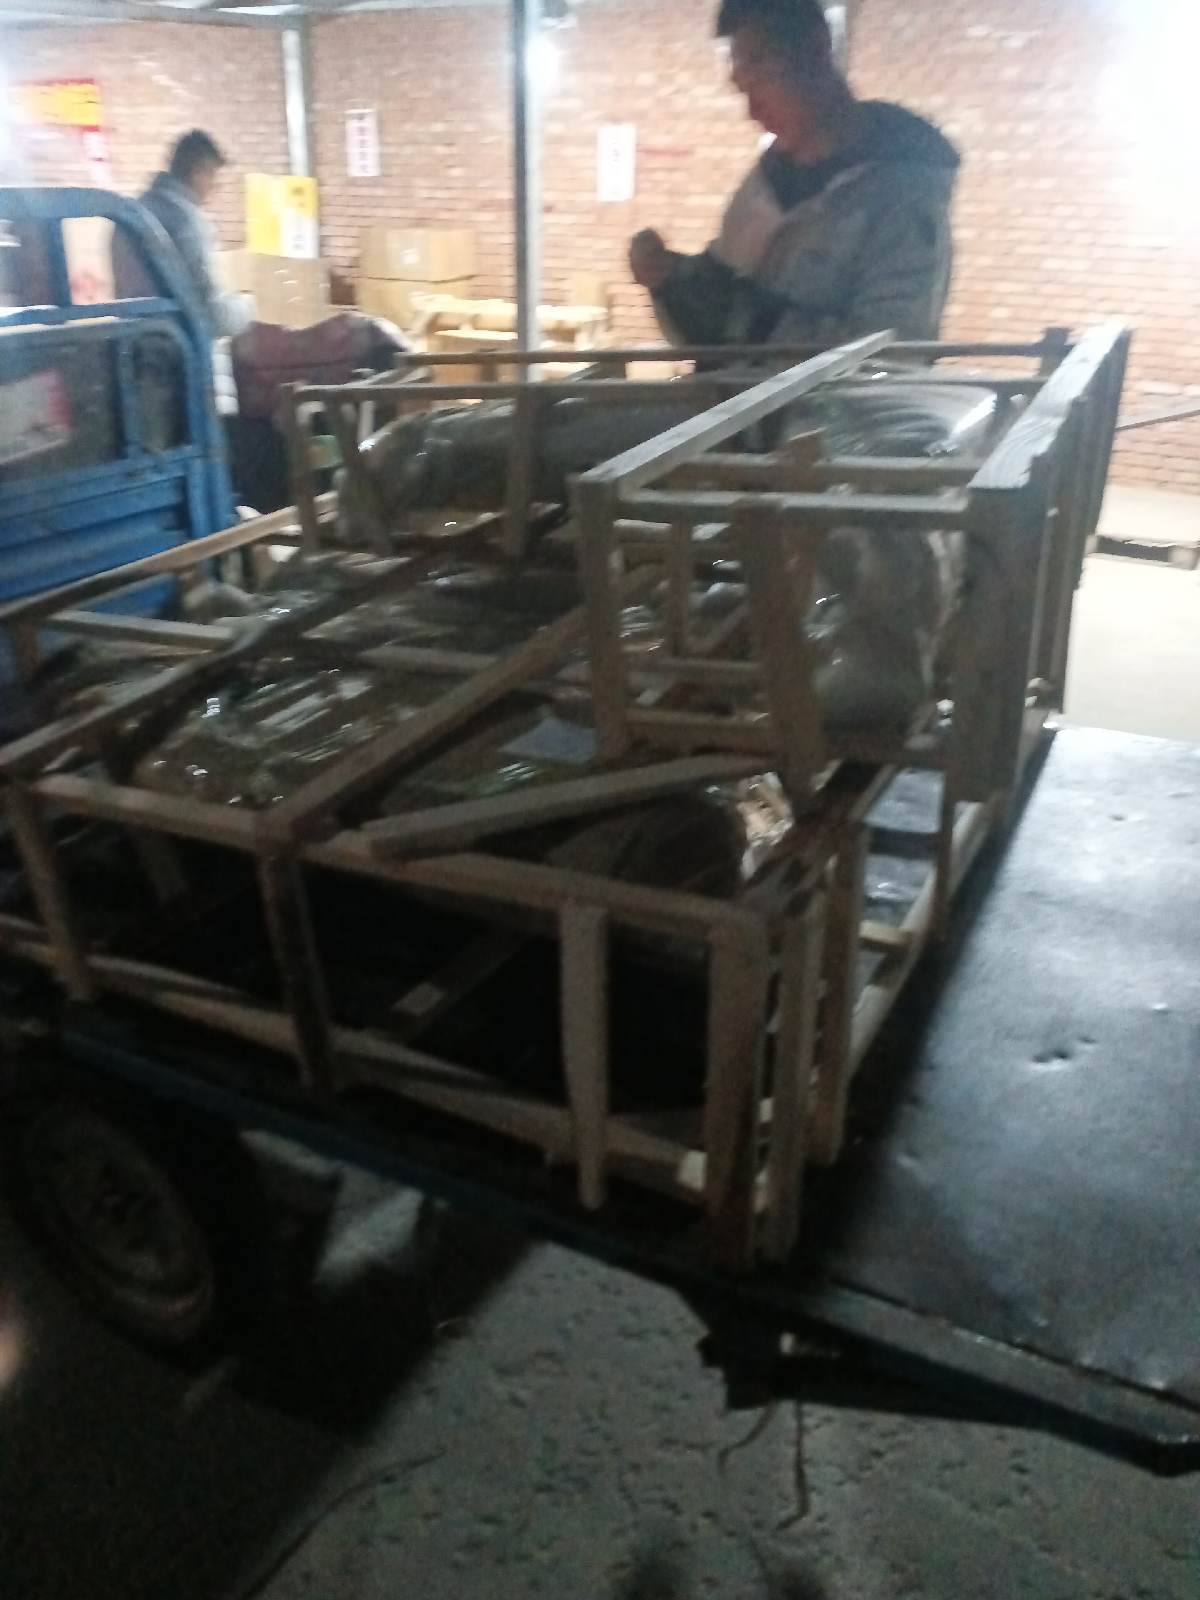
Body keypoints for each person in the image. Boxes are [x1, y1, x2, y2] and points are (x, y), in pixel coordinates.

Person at [630, 0, 959, 348]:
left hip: (813, 390)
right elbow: (721, 299)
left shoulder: (902, 202)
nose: (753, 111)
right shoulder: (768, 180)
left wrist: (753, 326)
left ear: (816, 51)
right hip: (740, 385)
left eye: (762, 79)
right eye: (744, 89)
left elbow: (893, 356)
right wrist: (670, 278)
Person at [115, 129, 250, 415]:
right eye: (213, 179)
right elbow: (210, 314)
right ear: (198, 173)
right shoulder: (187, 221)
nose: (214, 189)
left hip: (136, 358)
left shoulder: (131, 214)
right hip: (183, 367)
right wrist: (247, 308)